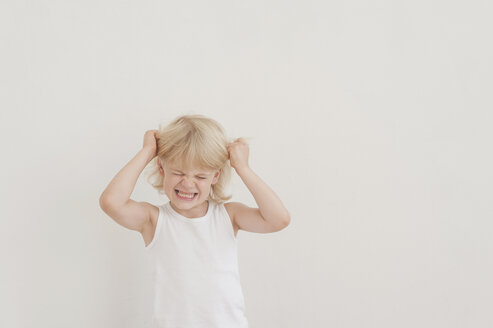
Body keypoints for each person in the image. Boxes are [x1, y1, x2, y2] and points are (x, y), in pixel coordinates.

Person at [99, 114, 291, 328]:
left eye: (200, 176)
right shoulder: (154, 220)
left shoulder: (229, 216)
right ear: (162, 169)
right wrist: (146, 153)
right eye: (178, 172)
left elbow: (278, 219)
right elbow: (111, 202)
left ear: (215, 177)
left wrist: (243, 168)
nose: (188, 183)